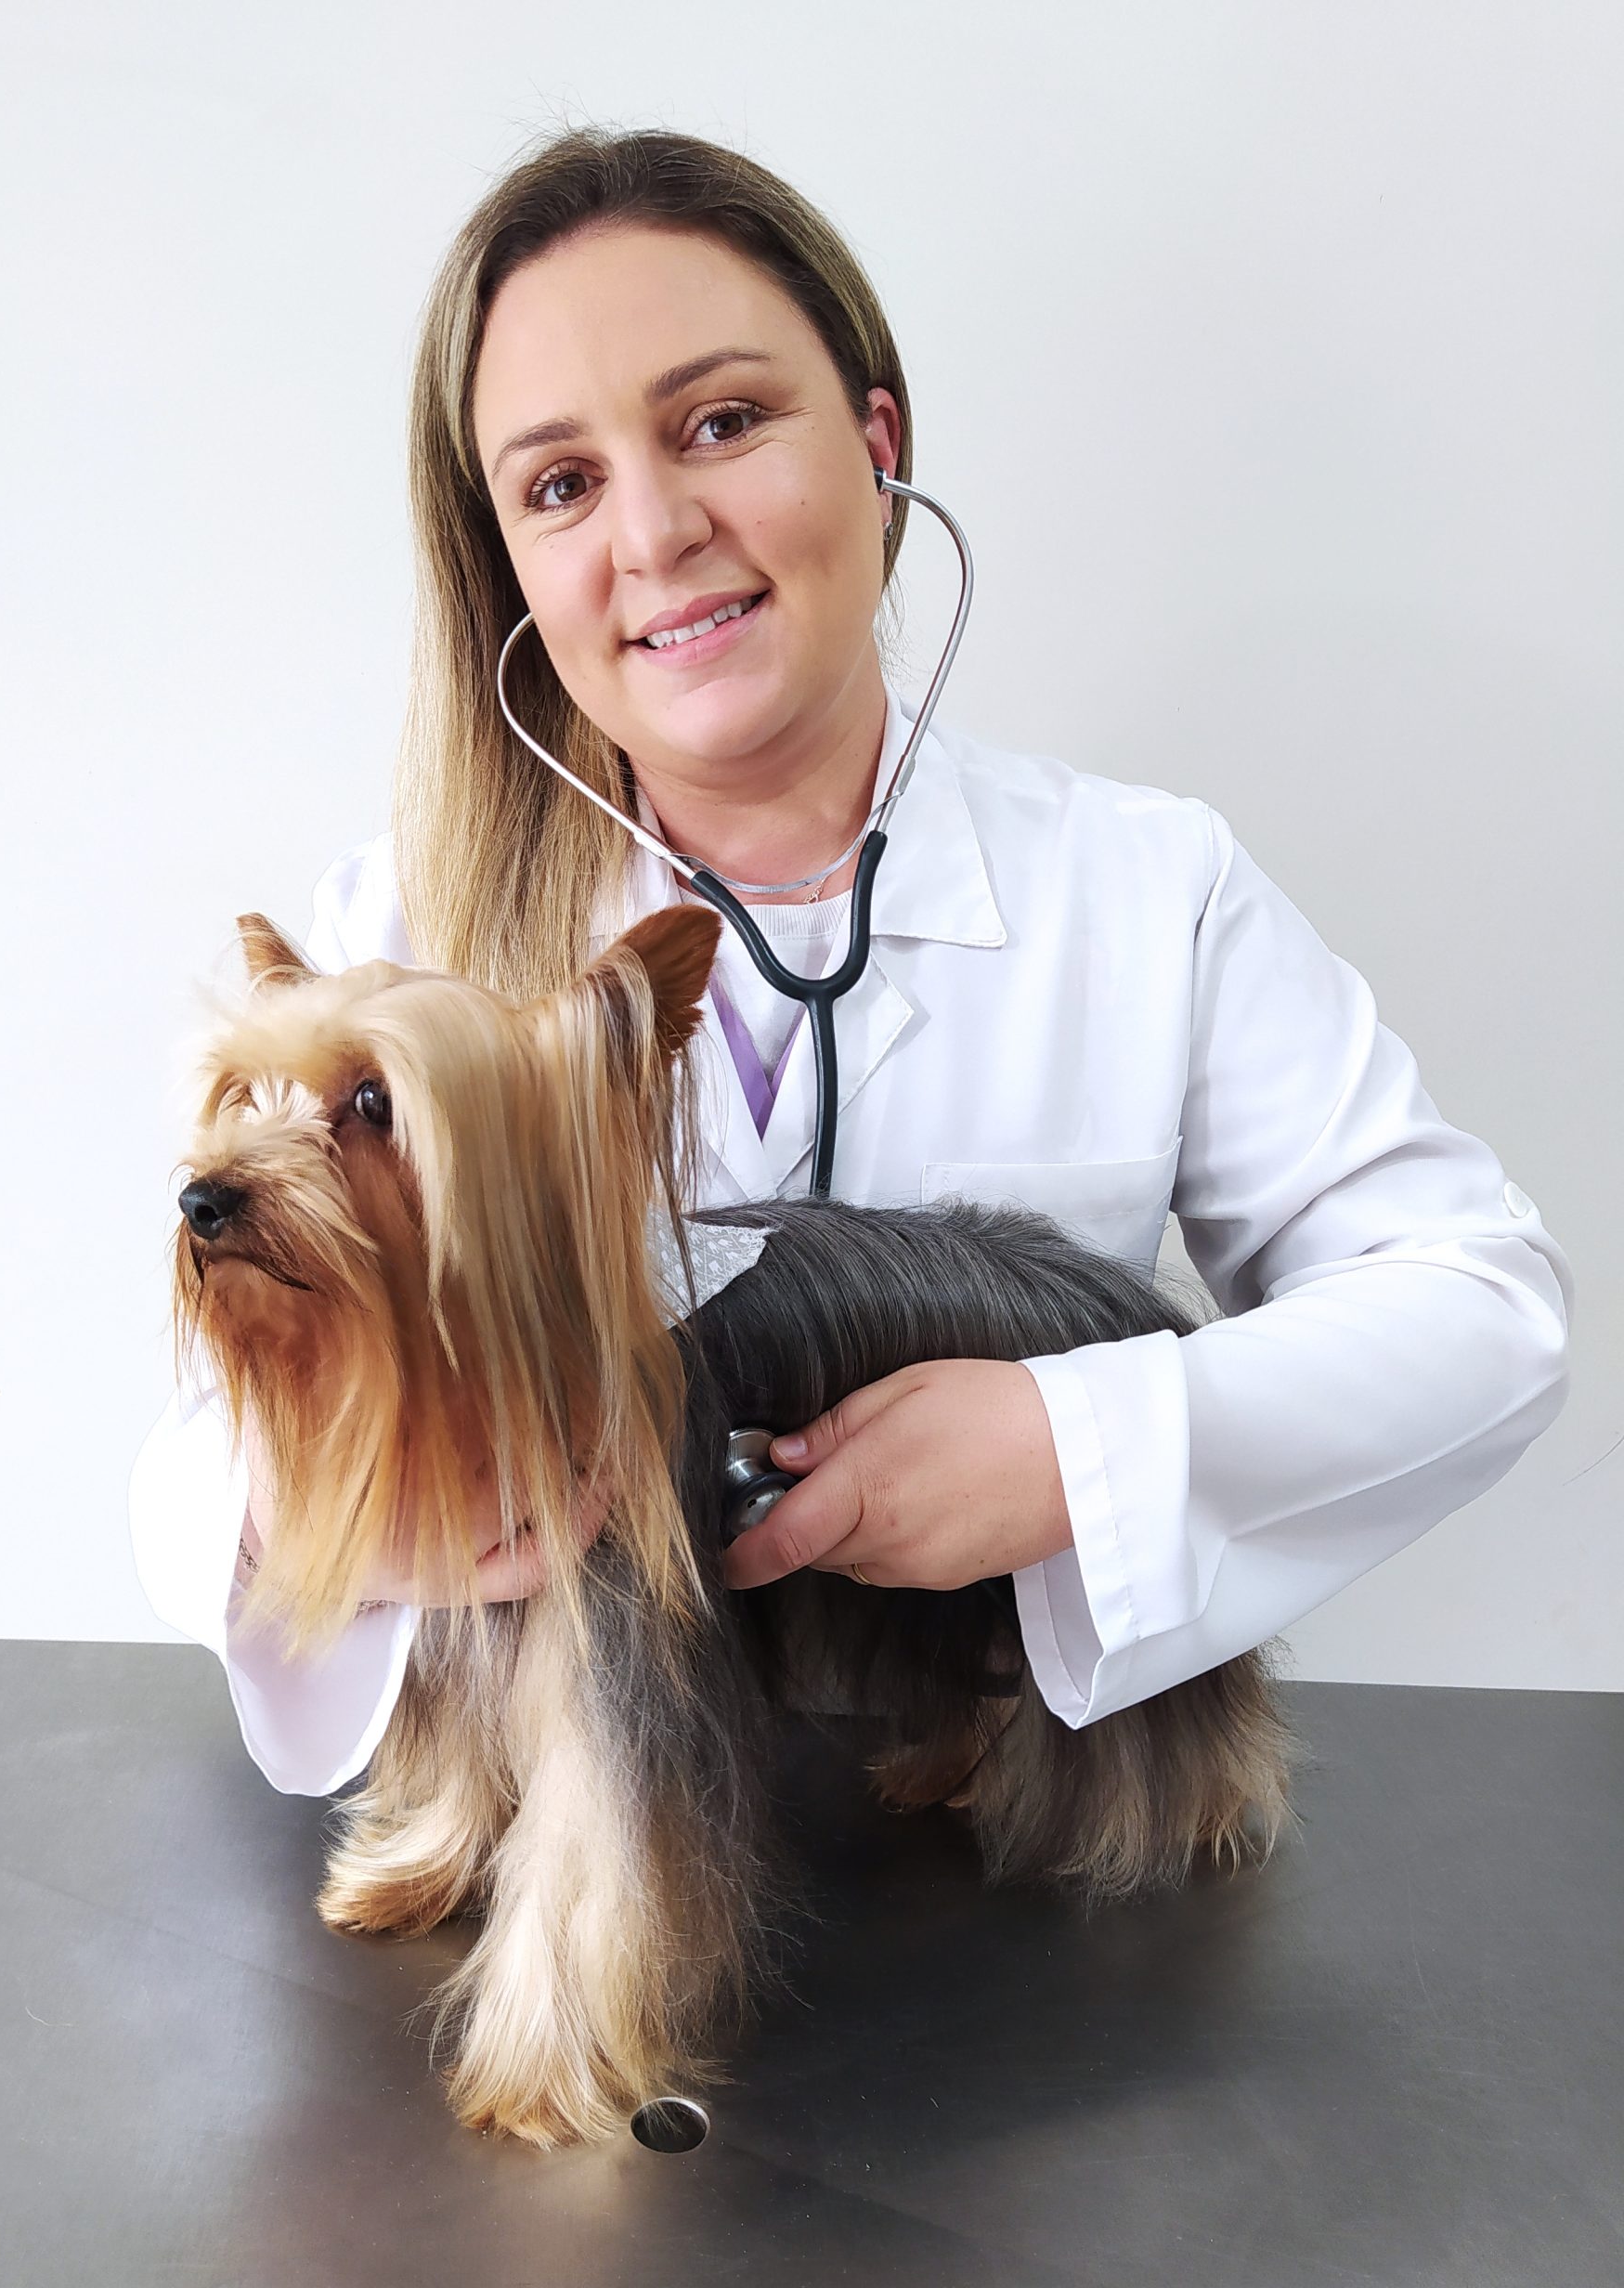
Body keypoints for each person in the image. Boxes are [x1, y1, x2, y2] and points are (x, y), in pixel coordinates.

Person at [128, 124, 1573, 1800]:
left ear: (878, 444)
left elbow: (1484, 1313)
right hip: (575, 1813)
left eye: (720, 423)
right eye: (561, 484)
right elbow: (188, 1471)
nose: (655, 532)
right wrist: (346, 1518)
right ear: (508, 563)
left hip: (1005, 1815)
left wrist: (1078, 1448)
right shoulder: (395, 944)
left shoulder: (1142, 887)